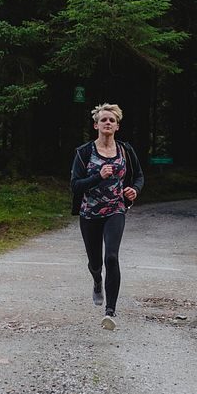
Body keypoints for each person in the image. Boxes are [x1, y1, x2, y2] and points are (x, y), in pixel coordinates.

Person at [70, 103, 144, 330]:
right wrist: (97, 176)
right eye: (104, 120)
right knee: (95, 262)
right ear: (96, 125)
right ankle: (96, 280)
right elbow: (75, 185)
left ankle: (110, 311)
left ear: (117, 126)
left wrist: (134, 190)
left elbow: (138, 176)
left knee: (111, 257)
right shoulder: (84, 153)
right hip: (89, 214)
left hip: (116, 210)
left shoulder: (125, 151)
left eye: (112, 120)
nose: (108, 123)